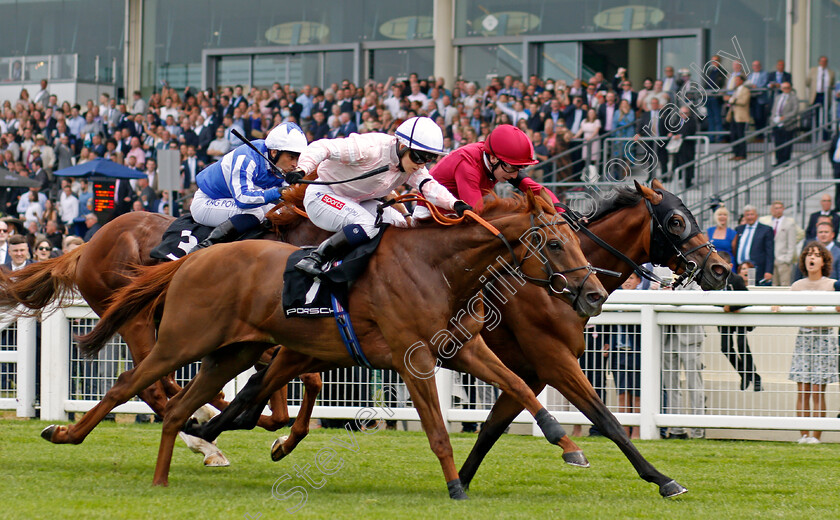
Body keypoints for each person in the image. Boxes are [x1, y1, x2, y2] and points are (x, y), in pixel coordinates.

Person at [291, 117, 467, 276]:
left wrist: (455, 204)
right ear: (402, 146)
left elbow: (430, 187)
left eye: (428, 159)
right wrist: (302, 169)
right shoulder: (370, 148)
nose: (421, 165)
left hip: (359, 201)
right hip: (324, 195)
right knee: (367, 225)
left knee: (402, 226)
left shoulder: (412, 164)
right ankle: (315, 258)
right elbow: (322, 147)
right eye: (419, 157)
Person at [191, 122, 307, 249]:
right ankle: (204, 247)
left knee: (276, 212)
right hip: (207, 202)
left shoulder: (279, 163)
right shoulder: (246, 158)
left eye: (298, 158)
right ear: (274, 152)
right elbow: (242, 199)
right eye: (291, 157)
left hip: (231, 198)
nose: (295, 164)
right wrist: (278, 192)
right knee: (257, 212)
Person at [417, 124, 560, 220]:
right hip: (431, 214)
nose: (515, 176)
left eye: (519, 169)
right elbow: (478, 214)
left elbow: (535, 189)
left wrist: (564, 213)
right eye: (512, 168)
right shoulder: (468, 165)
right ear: (493, 158)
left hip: (458, 212)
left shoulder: (500, 163)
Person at [782, 242, 838, 444]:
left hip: (823, 339)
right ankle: (803, 435)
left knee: (817, 390)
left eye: (816, 255)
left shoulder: (833, 285)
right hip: (804, 339)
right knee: (803, 389)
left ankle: (816, 436)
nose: (811, 258)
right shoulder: (797, 286)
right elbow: (780, 306)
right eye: (808, 254)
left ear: (824, 261)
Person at [659, 269, 706, 439]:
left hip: (690, 335)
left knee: (695, 384)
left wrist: (669, 296)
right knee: (671, 385)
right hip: (667, 335)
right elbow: (653, 295)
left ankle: (698, 430)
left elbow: (696, 298)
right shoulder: (660, 270)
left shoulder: (697, 273)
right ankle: (676, 429)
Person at [719, 253, 761, 391]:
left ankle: (754, 378)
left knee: (742, 346)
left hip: (740, 318)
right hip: (725, 321)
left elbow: (746, 299)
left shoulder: (736, 279)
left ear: (730, 266)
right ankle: (746, 374)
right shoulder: (714, 280)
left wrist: (731, 307)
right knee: (725, 348)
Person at [611, 272, 642, 438]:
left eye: (631, 278)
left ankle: (636, 430)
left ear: (638, 281)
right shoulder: (614, 297)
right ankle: (623, 431)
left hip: (636, 353)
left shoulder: (642, 299)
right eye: (625, 278)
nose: (627, 282)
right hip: (618, 352)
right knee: (622, 393)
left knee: (637, 393)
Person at [758, 201, 801, 286]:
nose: (778, 210)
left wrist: (788, 259)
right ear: (771, 209)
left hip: (783, 260)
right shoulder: (766, 222)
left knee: (785, 284)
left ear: (783, 209)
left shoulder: (789, 223)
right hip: (770, 260)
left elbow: (791, 243)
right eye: (775, 208)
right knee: (773, 285)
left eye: (780, 208)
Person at [734, 205, 774, 285]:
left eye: (752, 214)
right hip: (740, 268)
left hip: (757, 269)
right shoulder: (739, 229)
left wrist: (768, 271)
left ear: (757, 215)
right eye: (747, 215)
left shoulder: (766, 230)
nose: (749, 217)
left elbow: (770, 252)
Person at [771, 82, 798, 165]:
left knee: (786, 143)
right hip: (776, 122)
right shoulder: (778, 97)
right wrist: (773, 118)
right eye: (784, 88)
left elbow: (795, 110)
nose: (785, 89)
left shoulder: (793, 98)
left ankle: (785, 160)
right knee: (778, 143)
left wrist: (785, 117)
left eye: (787, 88)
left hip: (787, 124)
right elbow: (774, 109)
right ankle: (778, 160)